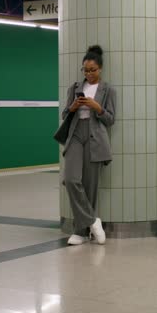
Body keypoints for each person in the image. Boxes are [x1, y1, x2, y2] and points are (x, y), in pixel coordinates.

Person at [62, 45, 116, 246]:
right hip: (76, 134)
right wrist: (73, 107)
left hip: (96, 138)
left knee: (90, 186)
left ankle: (81, 232)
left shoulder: (108, 90)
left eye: (92, 70)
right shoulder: (75, 88)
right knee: (71, 179)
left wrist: (97, 107)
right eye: (85, 70)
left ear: (100, 69)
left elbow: (110, 119)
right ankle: (93, 221)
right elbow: (64, 115)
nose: (89, 74)